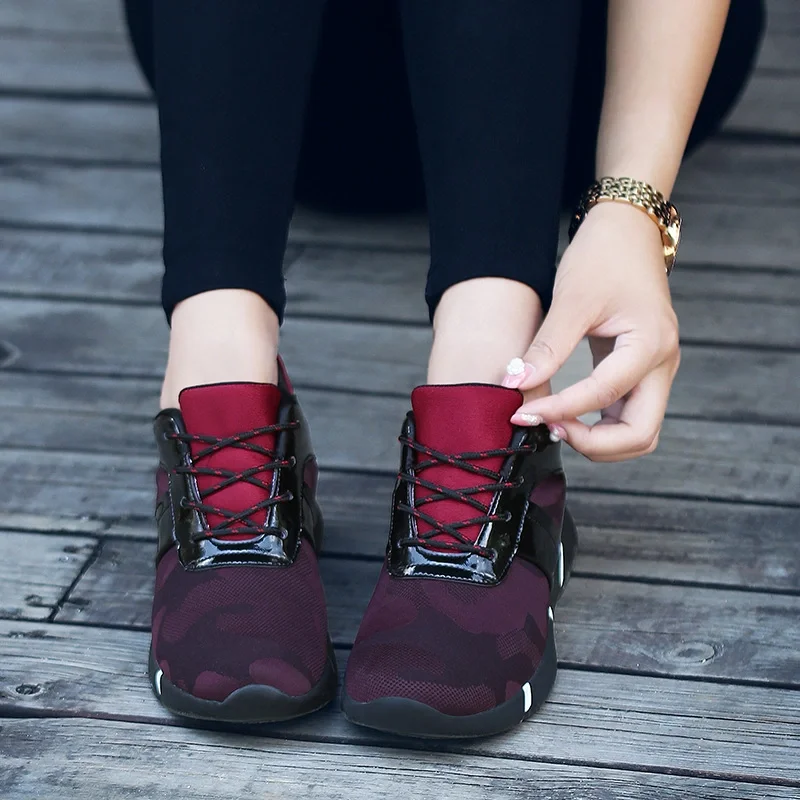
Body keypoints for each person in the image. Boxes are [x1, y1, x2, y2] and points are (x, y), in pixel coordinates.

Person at [130, 1, 763, 737]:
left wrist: (631, 206)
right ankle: (217, 358)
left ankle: (490, 383)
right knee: (220, 334)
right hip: (300, 89)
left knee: (495, 340)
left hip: (582, 78)